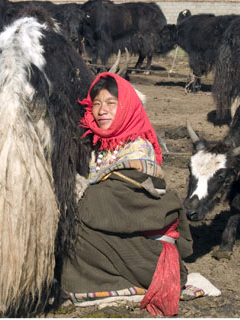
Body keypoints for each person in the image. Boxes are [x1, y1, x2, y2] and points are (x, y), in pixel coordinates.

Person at [60, 72, 193, 316]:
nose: (102, 110)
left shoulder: (138, 148)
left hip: (141, 240)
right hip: (112, 228)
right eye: (97, 103)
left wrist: (81, 195)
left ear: (127, 107)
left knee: (78, 223)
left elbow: (126, 202)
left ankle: (123, 278)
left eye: (111, 103)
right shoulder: (96, 147)